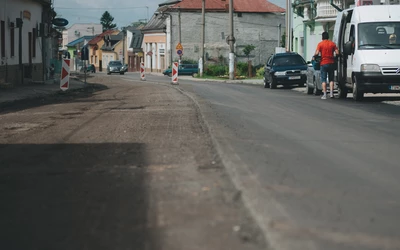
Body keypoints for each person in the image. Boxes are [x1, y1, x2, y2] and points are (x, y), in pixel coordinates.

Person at [313, 31, 339, 99]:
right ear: (328, 37)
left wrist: (314, 57)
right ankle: (331, 94)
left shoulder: (320, 44)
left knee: (323, 79)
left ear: (322, 37)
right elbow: (337, 52)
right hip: (331, 62)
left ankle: (324, 94)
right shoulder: (332, 44)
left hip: (323, 63)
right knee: (331, 79)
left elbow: (317, 53)